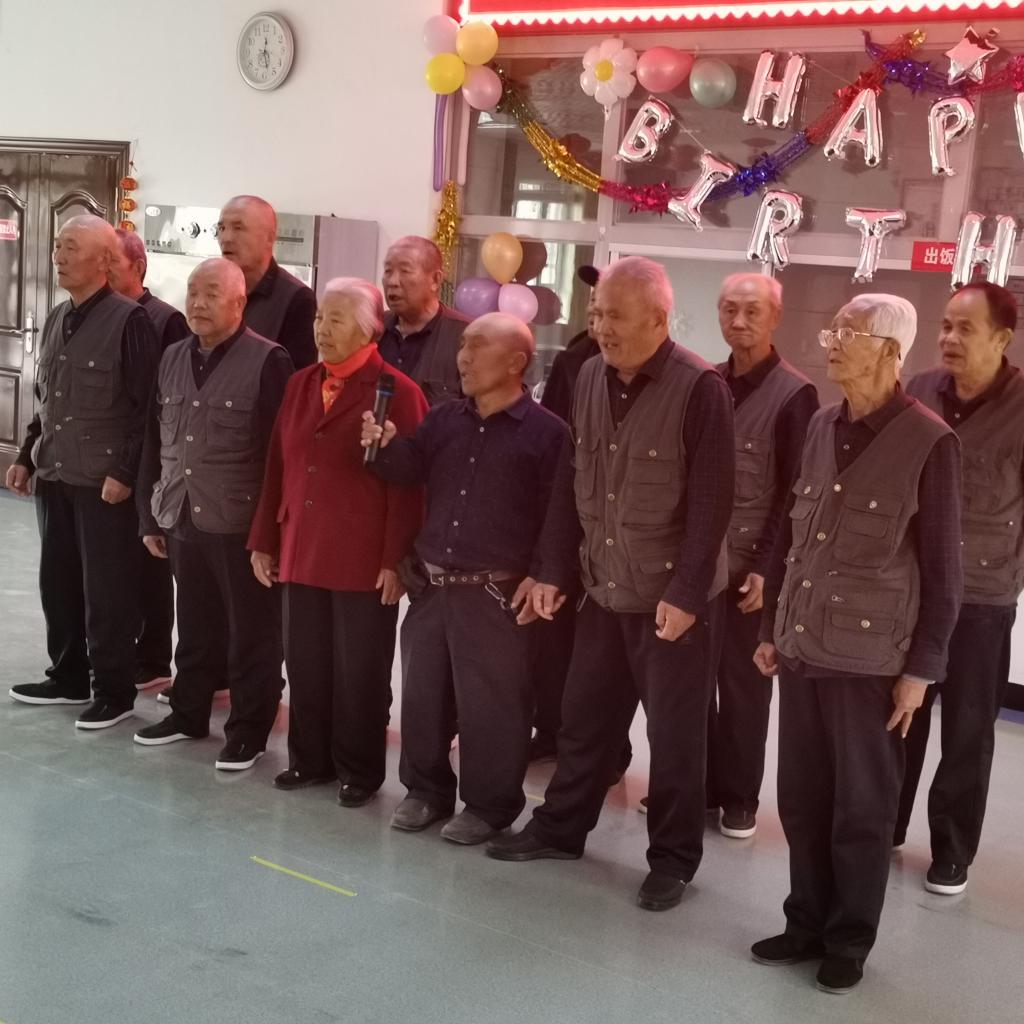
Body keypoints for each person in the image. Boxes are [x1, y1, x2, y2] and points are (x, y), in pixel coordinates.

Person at [487, 256, 736, 916]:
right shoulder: (588, 374)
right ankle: (561, 829)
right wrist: (553, 569)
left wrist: (687, 593)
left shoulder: (701, 388)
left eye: (615, 316)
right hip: (603, 590)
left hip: (670, 601)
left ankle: (673, 859)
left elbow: (713, 500)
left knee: (676, 741)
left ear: (658, 318)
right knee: (584, 722)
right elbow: (571, 484)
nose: (601, 327)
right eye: (596, 315)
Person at [750, 294, 962, 995]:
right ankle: (805, 922)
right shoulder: (821, 423)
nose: (833, 341)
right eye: (833, 328)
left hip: (872, 660)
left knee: (862, 809)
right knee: (802, 798)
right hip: (803, 647)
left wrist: (921, 672)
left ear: (891, 353)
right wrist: (770, 627)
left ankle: (848, 939)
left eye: (851, 332)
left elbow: (944, 571)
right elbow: (790, 532)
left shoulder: (930, 441)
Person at [360, 312, 571, 846]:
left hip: (496, 592)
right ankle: (425, 791)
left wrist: (546, 575)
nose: (464, 357)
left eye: (477, 346)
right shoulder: (445, 419)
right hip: (432, 586)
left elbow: (559, 514)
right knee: (423, 698)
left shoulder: (547, 433)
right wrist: (384, 445)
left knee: (492, 707)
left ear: (517, 362)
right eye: (462, 346)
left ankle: (489, 806)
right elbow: (409, 469)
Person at [248, 278, 427, 805]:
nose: (322, 329)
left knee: (359, 671)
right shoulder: (301, 383)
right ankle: (309, 760)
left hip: (362, 555)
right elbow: (277, 465)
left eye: (336, 319)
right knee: (305, 661)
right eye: (319, 317)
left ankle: (359, 769)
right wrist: (264, 538)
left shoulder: (398, 391)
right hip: (300, 545)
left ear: (370, 331)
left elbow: (411, 487)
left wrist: (396, 560)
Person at [133, 258, 293, 771]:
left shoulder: (268, 361)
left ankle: (248, 732)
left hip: (240, 524)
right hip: (181, 513)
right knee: (195, 626)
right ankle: (188, 714)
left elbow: (279, 457)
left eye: (211, 295)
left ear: (239, 303)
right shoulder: (173, 356)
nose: (198, 304)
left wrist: (269, 534)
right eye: (193, 292)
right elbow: (155, 438)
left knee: (252, 635)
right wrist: (151, 514)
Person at [6, 214, 160, 729]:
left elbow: (146, 408)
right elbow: (47, 399)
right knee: (59, 583)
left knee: (107, 591)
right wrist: (26, 454)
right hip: (56, 474)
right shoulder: (57, 317)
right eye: (58, 245)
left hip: (103, 483)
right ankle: (68, 675)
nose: (59, 255)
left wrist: (125, 470)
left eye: (71, 247)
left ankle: (114, 691)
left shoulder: (130, 322)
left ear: (104, 260)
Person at [895, 282, 1024, 896]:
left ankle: (951, 850)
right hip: (911, 593)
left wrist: (1008, 573)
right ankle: (887, 825)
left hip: (981, 599)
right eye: (945, 325)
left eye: (964, 328)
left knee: (968, 732)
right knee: (898, 716)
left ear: (1002, 338)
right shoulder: (919, 391)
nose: (948, 338)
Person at [707, 274, 818, 838]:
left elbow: (795, 492)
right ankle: (701, 786)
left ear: (775, 318)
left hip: (751, 571)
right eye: (729, 309)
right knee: (690, 685)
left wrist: (767, 570)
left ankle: (739, 797)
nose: (739, 321)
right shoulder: (706, 382)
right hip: (698, 568)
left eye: (752, 311)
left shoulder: (796, 395)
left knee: (744, 688)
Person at [108, 226, 190, 694]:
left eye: (112, 262)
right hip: (109, 461)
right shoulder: (101, 317)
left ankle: (154, 656)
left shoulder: (165, 320)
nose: (103, 270)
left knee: (151, 562)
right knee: (116, 568)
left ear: (138, 267)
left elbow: (160, 402)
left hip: (151, 462)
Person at [529, 264, 602, 764]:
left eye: (607, 305)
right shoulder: (573, 359)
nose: (597, 312)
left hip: (614, 535)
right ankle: (550, 730)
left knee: (598, 656)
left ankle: (606, 749)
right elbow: (557, 440)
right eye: (593, 303)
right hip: (567, 515)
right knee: (552, 641)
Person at [217, 194, 317, 370]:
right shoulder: (213, 289)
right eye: (221, 228)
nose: (226, 238)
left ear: (269, 238)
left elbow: (296, 379)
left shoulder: (296, 299)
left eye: (238, 228)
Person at [379, 236, 468, 406]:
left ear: (435, 280)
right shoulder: (373, 328)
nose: (392, 282)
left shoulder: (465, 336)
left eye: (405, 271)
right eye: (388, 271)